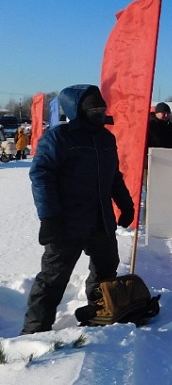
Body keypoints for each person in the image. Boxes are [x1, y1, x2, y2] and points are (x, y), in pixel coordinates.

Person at [22, 84, 135, 334]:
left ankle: (99, 316)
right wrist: (48, 217)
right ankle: (34, 332)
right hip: (66, 222)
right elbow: (41, 175)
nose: (99, 111)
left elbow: (113, 176)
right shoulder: (59, 137)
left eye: (101, 106)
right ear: (78, 110)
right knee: (53, 279)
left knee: (106, 271)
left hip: (101, 220)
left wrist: (125, 204)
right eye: (93, 108)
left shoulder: (106, 138)